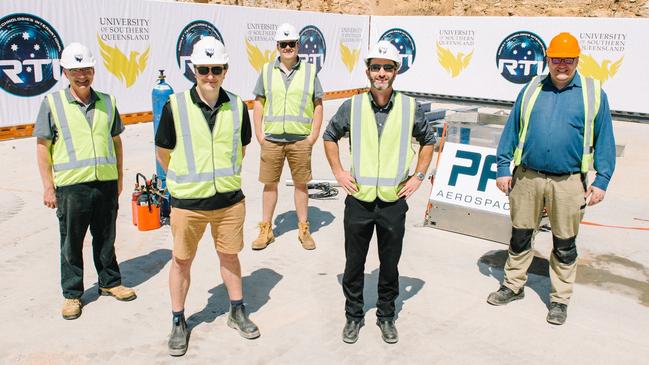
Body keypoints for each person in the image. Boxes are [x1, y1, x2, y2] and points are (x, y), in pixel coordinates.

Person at [488, 32, 616, 325]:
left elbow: (605, 138)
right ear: (548, 59)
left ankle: (559, 300)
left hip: (568, 182)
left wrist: (602, 179)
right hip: (527, 178)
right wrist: (502, 167)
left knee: (564, 243)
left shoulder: (593, 93)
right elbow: (512, 128)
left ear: (577, 60)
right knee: (520, 235)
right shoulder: (532, 88)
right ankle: (512, 285)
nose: (562, 65)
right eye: (556, 58)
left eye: (568, 59)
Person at [323, 41, 435, 344]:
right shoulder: (353, 105)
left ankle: (386, 316)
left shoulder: (410, 107)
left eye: (387, 67)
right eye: (376, 67)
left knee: (389, 264)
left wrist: (419, 177)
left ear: (396, 71)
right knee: (354, 263)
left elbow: (429, 141)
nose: (381, 73)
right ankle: (353, 316)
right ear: (367, 71)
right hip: (359, 200)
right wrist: (338, 172)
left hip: (393, 201)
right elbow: (330, 136)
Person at [155, 37, 259, 357]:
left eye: (216, 69)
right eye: (203, 69)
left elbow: (241, 149)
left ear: (225, 70)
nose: (210, 76)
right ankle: (178, 320)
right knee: (182, 261)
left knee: (230, 256)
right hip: (189, 203)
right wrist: (187, 182)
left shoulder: (239, 106)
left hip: (228, 201)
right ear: (194, 71)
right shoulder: (176, 105)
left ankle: (236, 310)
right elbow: (163, 152)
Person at [34, 42, 136, 320]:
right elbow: (43, 146)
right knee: (71, 242)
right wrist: (47, 186)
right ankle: (72, 294)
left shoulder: (107, 101)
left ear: (93, 70)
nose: (82, 75)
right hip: (71, 187)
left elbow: (116, 142)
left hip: (104, 182)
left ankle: (110, 282)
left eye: (87, 69)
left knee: (106, 238)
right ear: (65, 72)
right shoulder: (52, 104)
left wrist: (118, 177)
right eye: (76, 70)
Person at [251, 22, 324, 250]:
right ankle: (266, 230)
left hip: (300, 140)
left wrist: (312, 136)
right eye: (283, 44)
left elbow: (318, 104)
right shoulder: (266, 70)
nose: (288, 48)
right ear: (277, 46)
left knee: (301, 185)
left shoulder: (310, 71)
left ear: (298, 45)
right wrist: (259, 135)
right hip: (272, 139)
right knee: (269, 185)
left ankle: (304, 229)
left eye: (291, 44)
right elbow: (259, 102)